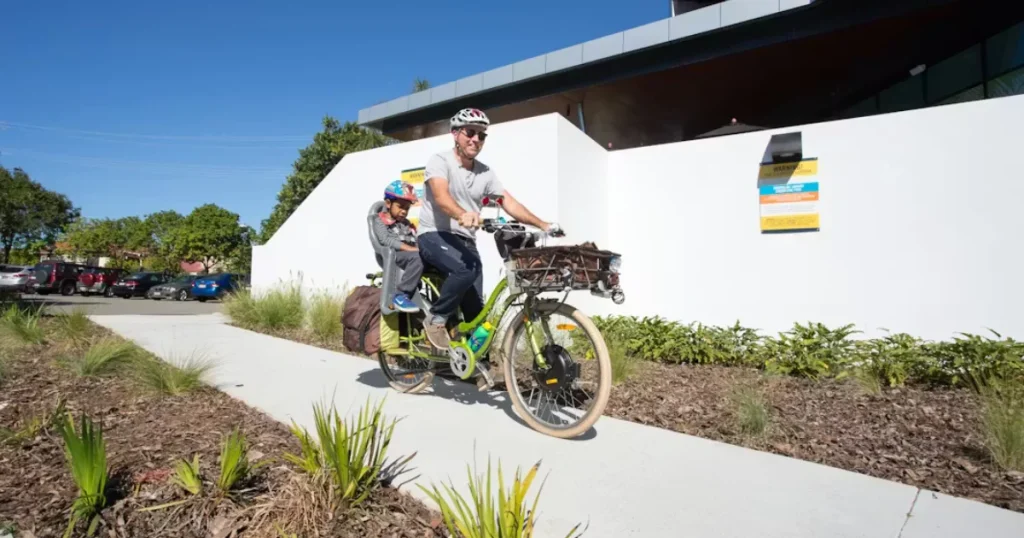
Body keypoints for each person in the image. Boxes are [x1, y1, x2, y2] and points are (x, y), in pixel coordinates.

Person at [417, 107, 560, 349]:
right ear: (455, 133)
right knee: (465, 269)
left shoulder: (485, 173)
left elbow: (509, 202)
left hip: (465, 241)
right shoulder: (440, 161)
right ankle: (436, 319)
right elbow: (441, 197)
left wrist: (543, 224)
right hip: (434, 234)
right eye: (470, 132)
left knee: (476, 310)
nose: (476, 139)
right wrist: (462, 214)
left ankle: (476, 362)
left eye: (481, 135)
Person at [371, 180, 423, 313]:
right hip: (393, 256)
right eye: (400, 207)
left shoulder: (407, 223)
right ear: (388, 203)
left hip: (411, 255)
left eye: (407, 208)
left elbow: (416, 238)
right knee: (417, 257)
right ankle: (400, 295)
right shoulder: (379, 220)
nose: (404, 211)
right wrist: (410, 248)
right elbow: (385, 240)